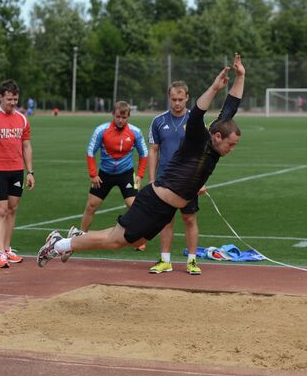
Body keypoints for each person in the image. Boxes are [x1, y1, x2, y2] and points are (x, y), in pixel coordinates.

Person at [37, 53, 245, 273]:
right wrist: (214, 88)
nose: (231, 150)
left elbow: (231, 106)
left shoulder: (218, 139)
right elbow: (198, 113)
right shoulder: (198, 138)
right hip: (154, 201)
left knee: (132, 241)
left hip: (167, 208)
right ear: (218, 137)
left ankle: (78, 237)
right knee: (115, 241)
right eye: (231, 145)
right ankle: (59, 244)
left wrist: (241, 76)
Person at [0, 80, 35, 269]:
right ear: (1, 97)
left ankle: (8, 249)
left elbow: (26, 146)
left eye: (15, 99)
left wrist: (30, 172)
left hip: (17, 170)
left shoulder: (22, 118)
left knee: (12, 209)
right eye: (9, 99)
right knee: (1, 210)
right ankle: (0, 252)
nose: (13, 103)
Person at [147, 81, 202, 274]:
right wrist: (152, 179)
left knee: (189, 219)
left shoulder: (195, 120)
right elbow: (153, 151)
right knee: (165, 221)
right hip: (164, 181)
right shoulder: (158, 121)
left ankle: (192, 261)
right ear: (169, 98)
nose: (177, 103)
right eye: (173, 99)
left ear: (187, 98)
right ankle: (165, 260)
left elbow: (202, 153)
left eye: (180, 99)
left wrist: (202, 180)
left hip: (188, 180)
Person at [79, 101, 148, 234]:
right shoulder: (101, 130)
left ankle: (139, 238)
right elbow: (90, 152)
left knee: (133, 206)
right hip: (104, 174)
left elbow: (144, 154)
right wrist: (93, 174)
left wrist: (140, 175)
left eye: (124, 117)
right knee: (91, 205)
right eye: (118, 117)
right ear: (113, 115)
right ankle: (81, 235)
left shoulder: (135, 132)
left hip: (126, 173)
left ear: (128, 117)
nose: (120, 120)